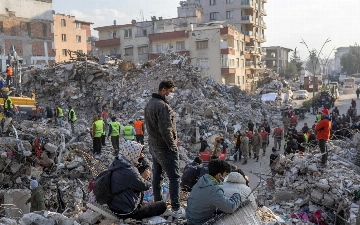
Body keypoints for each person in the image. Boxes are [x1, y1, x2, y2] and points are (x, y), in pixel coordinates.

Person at [144, 80, 184, 216]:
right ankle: (176, 208)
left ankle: (158, 205)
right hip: (164, 147)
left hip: (154, 145)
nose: (171, 94)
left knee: (157, 176)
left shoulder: (150, 103)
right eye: (170, 91)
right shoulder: (163, 106)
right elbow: (165, 129)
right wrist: (172, 146)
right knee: (174, 177)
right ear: (163, 90)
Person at [107, 141, 167, 219]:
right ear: (133, 154)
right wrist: (145, 176)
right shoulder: (130, 171)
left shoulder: (117, 163)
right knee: (162, 205)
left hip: (114, 207)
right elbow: (146, 186)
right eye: (139, 153)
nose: (142, 155)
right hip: (126, 212)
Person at [186, 160, 242, 225]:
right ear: (219, 175)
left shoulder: (202, 181)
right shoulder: (214, 189)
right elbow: (230, 207)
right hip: (201, 222)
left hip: (190, 221)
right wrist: (237, 196)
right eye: (225, 175)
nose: (226, 177)